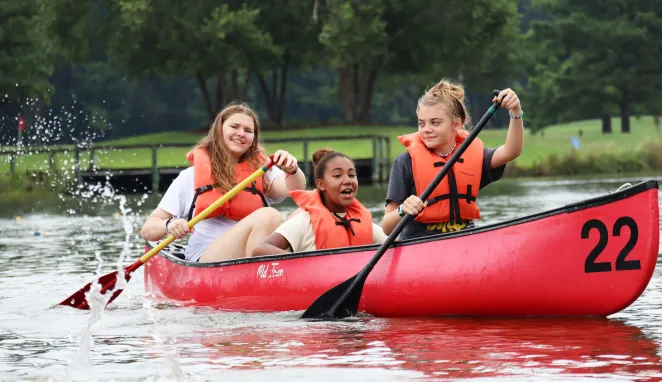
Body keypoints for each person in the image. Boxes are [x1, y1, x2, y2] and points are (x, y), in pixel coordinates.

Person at [140, 102, 307, 262]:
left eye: (248, 130)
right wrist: (170, 225)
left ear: (253, 139)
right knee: (268, 215)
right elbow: (148, 230)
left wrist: (291, 169)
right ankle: (263, 276)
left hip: (256, 253)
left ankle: (289, 271)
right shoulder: (189, 177)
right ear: (219, 130)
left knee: (306, 214)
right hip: (207, 255)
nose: (241, 133)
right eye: (234, 127)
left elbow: (296, 189)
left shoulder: (262, 171)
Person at [382, 79, 524, 239]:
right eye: (421, 124)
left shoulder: (473, 155)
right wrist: (402, 209)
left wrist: (515, 111)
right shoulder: (405, 162)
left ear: (456, 124)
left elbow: (511, 151)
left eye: (435, 123)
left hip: (464, 245)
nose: (427, 129)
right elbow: (387, 228)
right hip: (420, 249)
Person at [252, 149, 387, 256]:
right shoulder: (304, 222)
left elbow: (394, 245)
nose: (348, 181)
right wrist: (302, 263)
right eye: (337, 176)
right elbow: (260, 250)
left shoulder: (364, 222)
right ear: (321, 184)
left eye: (352, 175)